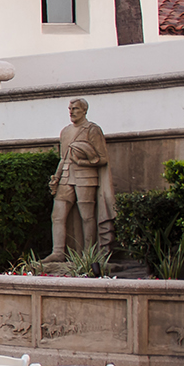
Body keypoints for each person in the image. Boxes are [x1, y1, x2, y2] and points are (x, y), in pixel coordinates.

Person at [48, 97, 115, 260]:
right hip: (66, 175)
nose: (71, 111)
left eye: (75, 108)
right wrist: (56, 178)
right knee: (57, 215)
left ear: (84, 110)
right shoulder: (65, 131)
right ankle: (57, 252)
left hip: (86, 177)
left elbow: (102, 158)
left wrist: (82, 162)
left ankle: (89, 254)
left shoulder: (92, 129)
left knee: (87, 216)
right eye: (70, 108)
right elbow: (63, 158)